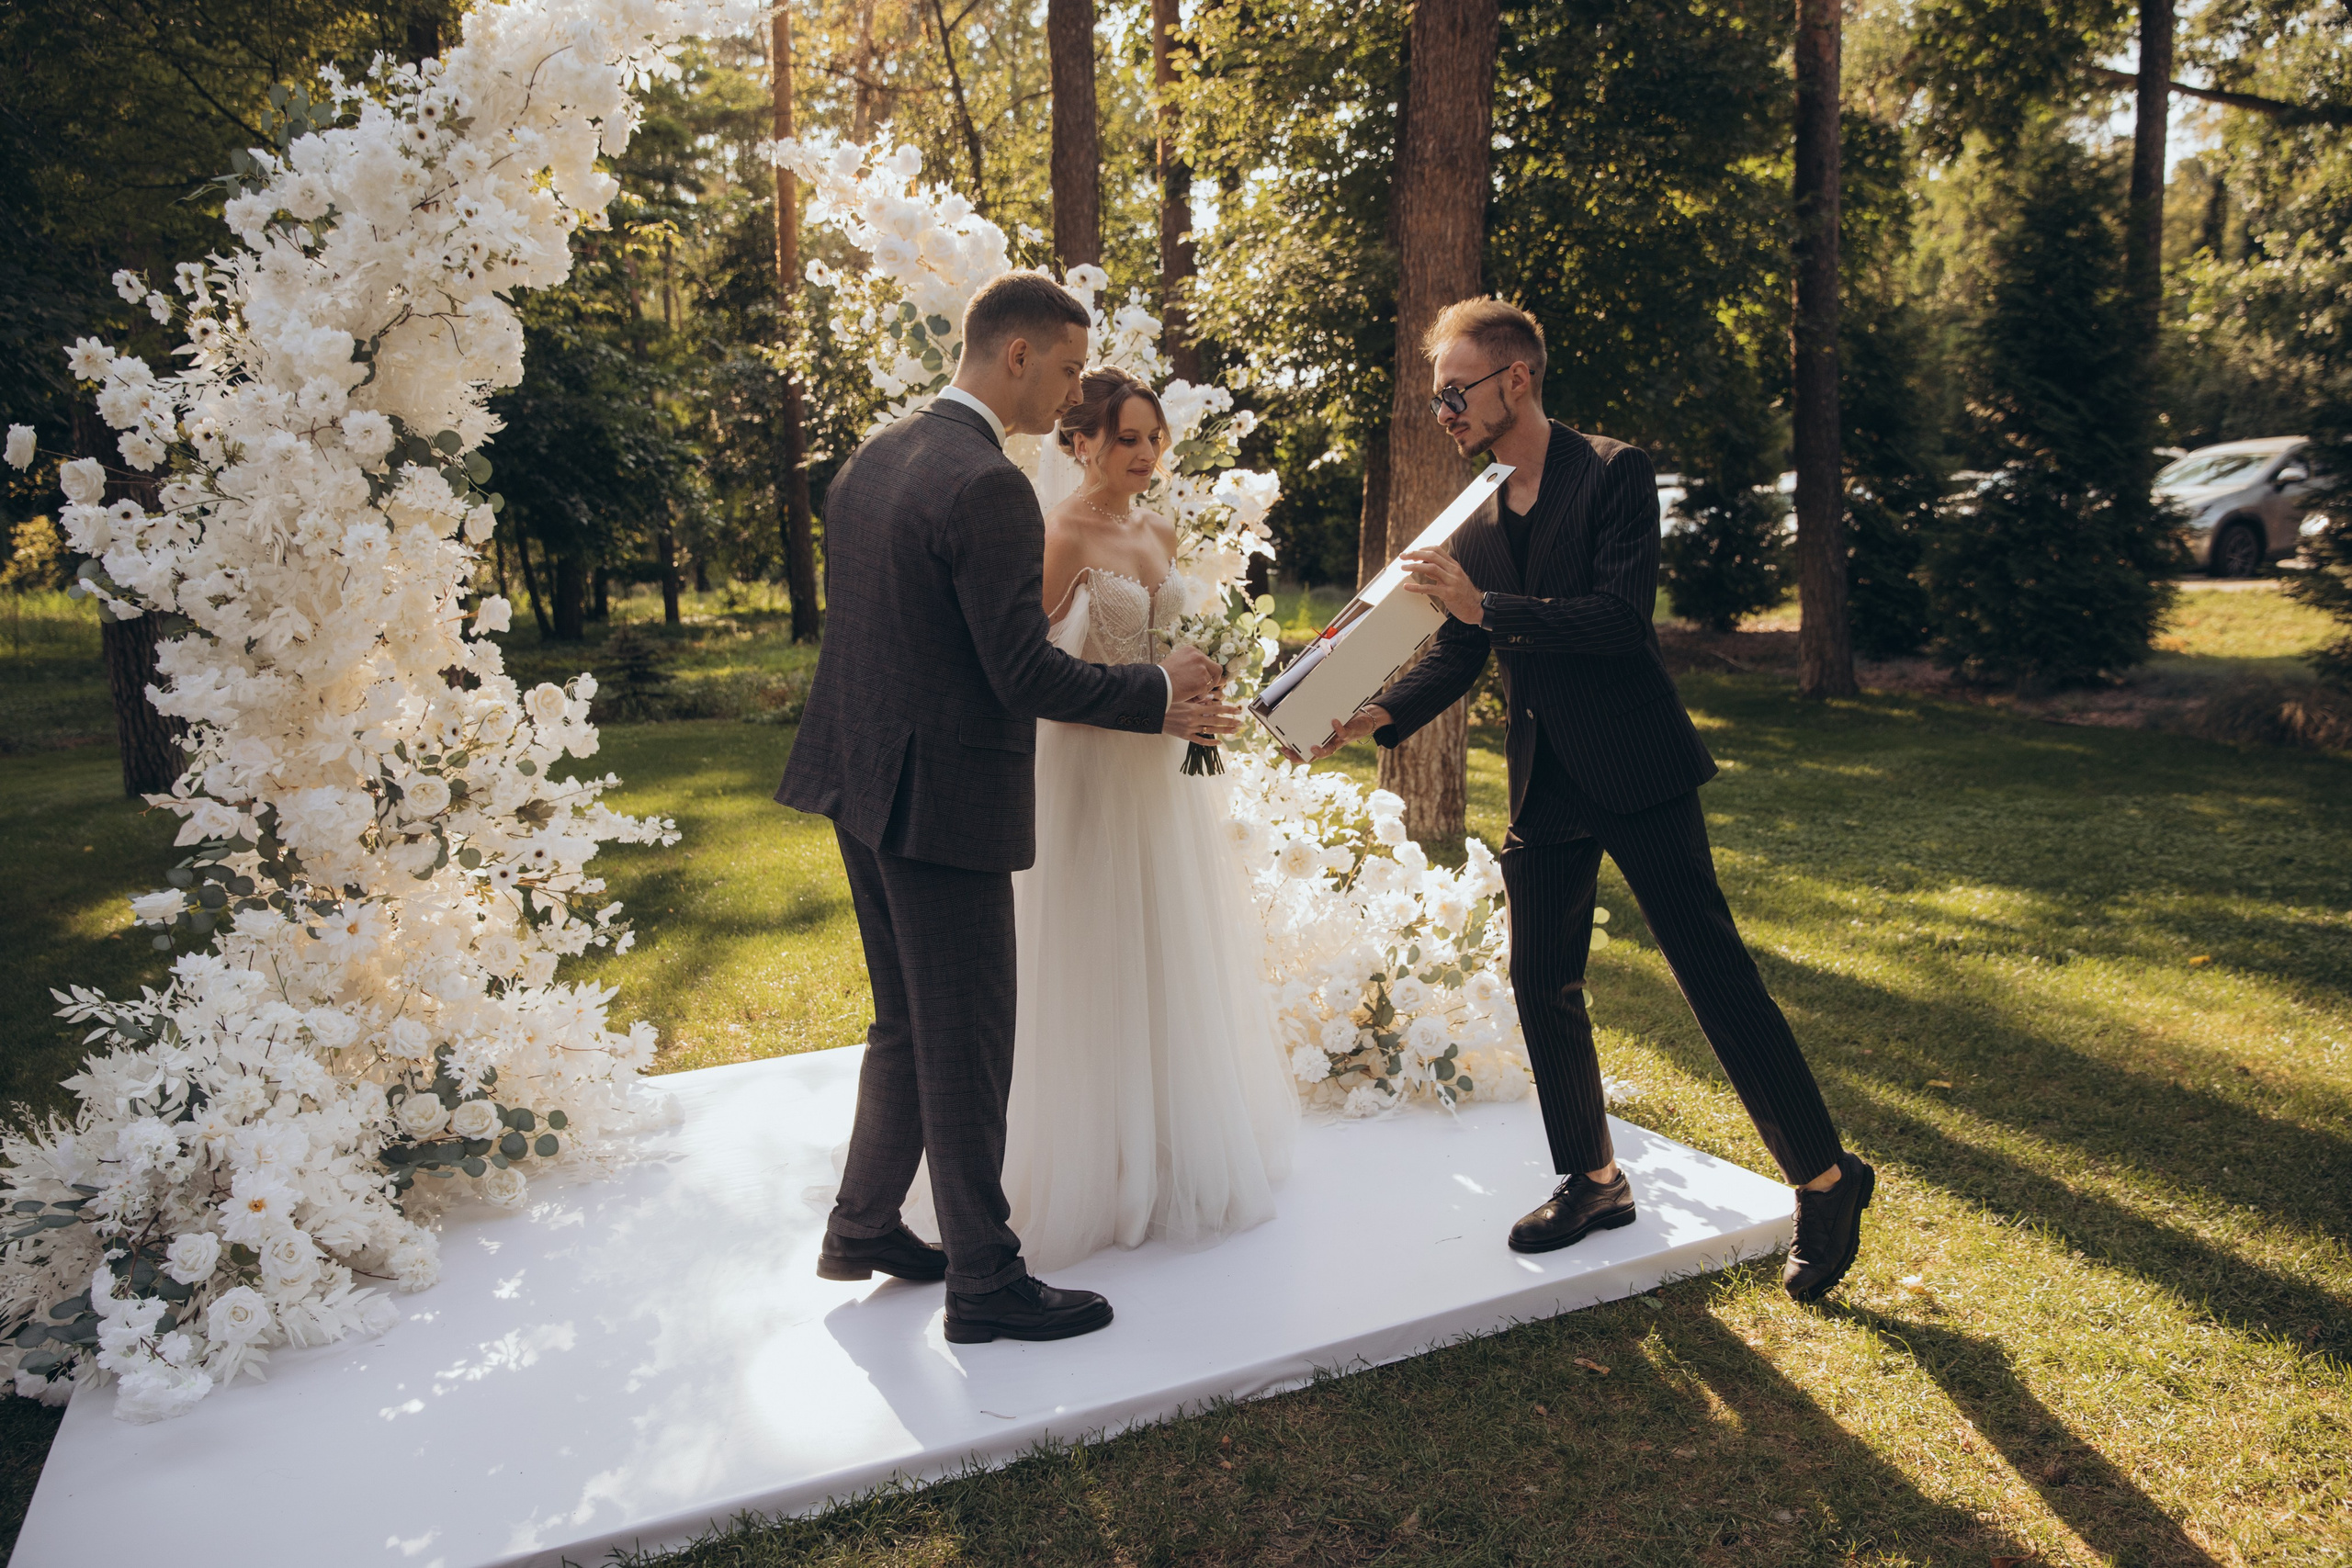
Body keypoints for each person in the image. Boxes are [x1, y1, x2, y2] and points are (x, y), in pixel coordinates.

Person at [1315, 298, 1874, 1303]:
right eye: (1435, 397)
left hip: (1635, 765)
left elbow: (1618, 621)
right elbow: (1464, 644)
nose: (1441, 411)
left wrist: (1484, 606)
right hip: (1545, 775)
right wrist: (1376, 718)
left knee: (1713, 976)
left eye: (1455, 392)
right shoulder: (1479, 508)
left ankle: (1826, 1179)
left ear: (1514, 380)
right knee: (1541, 981)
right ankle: (1593, 1180)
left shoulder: (1613, 471)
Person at [776, 272, 1240, 1343]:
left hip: (861, 780)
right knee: (970, 1040)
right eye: (1071, 367)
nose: (1074, 391)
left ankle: (860, 1228)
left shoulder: (878, 455)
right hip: (942, 803)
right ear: (1018, 355)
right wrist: (1160, 689)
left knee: (907, 1025)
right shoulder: (984, 485)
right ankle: (983, 1280)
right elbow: (1022, 675)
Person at [997, 367, 1297, 1272]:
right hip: (1088, 771)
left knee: (1168, 947)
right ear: (1078, 440)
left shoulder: (1160, 528)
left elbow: (1169, 648)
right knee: (1095, 955)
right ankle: (1091, 1164)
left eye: (1153, 438)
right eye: (1124, 437)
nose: (1144, 454)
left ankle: (1163, 1151)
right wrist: (1153, 699)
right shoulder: (1057, 535)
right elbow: (1033, 684)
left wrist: (1208, 687)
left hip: (1164, 775)